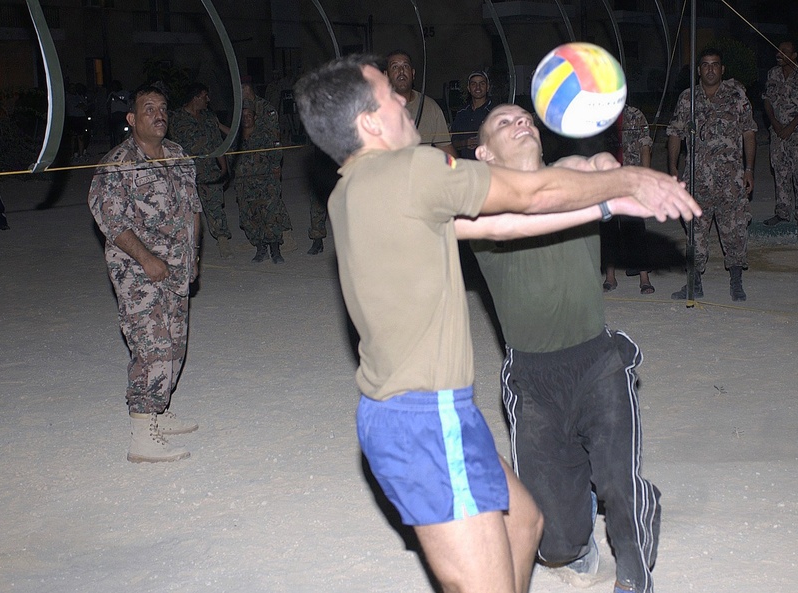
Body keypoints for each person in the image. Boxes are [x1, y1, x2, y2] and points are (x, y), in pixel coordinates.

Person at [293, 54, 699, 593]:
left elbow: (507, 223)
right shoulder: (410, 170)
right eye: (390, 96)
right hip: (424, 415)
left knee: (526, 523)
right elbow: (529, 195)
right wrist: (633, 177)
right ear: (369, 121)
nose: (402, 97)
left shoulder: (354, 189)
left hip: (433, 410)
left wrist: (606, 204)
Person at [463, 103, 661, 593]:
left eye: (526, 118)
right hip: (533, 380)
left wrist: (608, 170)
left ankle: (635, 571)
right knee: (552, 543)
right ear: (484, 153)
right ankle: (578, 529)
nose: (522, 123)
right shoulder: (477, 203)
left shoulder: (569, 172)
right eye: (505, 123)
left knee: (619, 484)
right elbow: (527, 205)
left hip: (597, 362)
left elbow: (597, 168)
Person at [87, 84, 202, 463]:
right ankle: (142, 433)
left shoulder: (178, 155)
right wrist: (147, 260)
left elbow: (193, 210)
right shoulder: (117, 163)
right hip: (137, 269)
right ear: (132, 119)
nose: (158, 114)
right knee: (151, 344)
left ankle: (160, 411)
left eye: (163, 107)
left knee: (175, 343)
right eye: (148, 108)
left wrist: (194, 255)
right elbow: (112, 222)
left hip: (177, 264)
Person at [667, 47, 757, 302]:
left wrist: (749, 169)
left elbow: (749, 133)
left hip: (731, 179)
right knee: (694, 232)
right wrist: (673, 168)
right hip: (697, 179)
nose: (710, 69)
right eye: (705, 65)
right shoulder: (688, 99)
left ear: (722, 69)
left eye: (715, 64)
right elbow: (675, 133)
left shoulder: (736, 96)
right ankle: (694, 283)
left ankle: (736, 282)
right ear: (699, 70)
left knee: (735, 230)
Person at [168, 82, 233, 258]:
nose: (208, 100)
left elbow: (217, 143)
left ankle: (223, 240)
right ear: (196, 97)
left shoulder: (209, 117)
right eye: (205, 96)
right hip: (185, 172)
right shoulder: (176, 118)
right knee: (185, 210)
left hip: (209, 170)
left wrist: (224, 167)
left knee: (215, 205)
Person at [762, 40, 798, 226]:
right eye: (779, 50)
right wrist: (775, 124)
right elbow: (767, 100)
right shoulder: (773, 74)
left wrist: (792, 125)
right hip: (777, 132)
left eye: (785, 51)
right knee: (780, 171)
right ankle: (782, 212)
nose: (779, 54)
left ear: (794, 55)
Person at [602, 105, 656, 294]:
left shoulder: (635, 115)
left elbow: (645, 147)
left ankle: (644, 278)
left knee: (636, 228)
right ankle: (610, 277)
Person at [232, 104, 291, 264]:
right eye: (243, 116)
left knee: (271, 216)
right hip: (245, 186)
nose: (246, 119)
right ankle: (260, 249)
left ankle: (275, 250)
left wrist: (275, 171)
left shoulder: (264, 135)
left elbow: (276, 154)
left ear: (255, 117)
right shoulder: (235, 139)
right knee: (250, 218)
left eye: (249, 115)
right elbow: (231, 159)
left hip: (266, 184)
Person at [384, 49, 457, 157]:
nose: (401, 71)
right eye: (395, 67)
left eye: (405, 66)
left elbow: (445, 149)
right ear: (386, 75)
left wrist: (460, 171)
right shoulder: (375, 108)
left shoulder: (431, 107)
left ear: (413, 73)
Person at [450, 70, 494, 159]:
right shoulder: (462, 113)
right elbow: (452, 143)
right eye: (473, 84)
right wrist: (465, 143)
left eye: (482, 84)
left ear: (488, 87)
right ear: (469, 88)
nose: (478, 87)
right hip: (467, 167)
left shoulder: (495, 113)